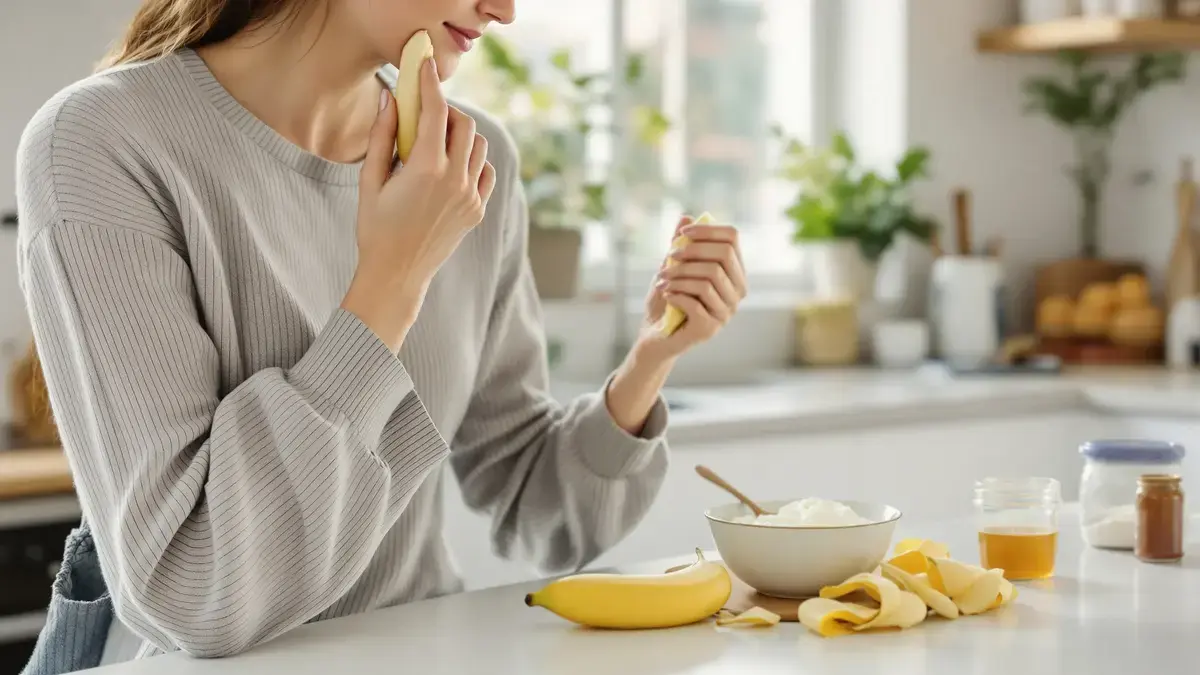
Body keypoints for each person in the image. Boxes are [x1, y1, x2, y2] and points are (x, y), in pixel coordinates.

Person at [15, 0, 747, 671]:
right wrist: (391, 280)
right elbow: (194, 588)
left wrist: (651, 359)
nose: (507, 9)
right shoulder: (100, 142)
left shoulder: (466, 161)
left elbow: (536, 508)